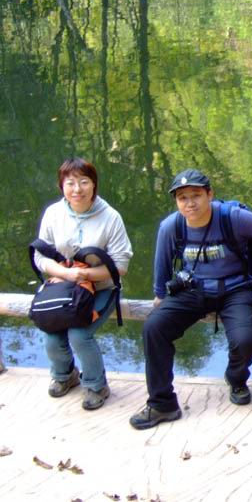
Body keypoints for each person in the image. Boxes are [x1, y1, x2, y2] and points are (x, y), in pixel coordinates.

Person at [129, 169, 252, 430]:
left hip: (235, 288)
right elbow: (162, 262)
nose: (190, 203)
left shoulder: (233, 217)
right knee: (154, 328)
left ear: (210, 194)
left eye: (196, 195)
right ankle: (162, 404)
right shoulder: (172, 226)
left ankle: (236, 378)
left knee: (246, 339)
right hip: (194, 289)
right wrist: (159, 295)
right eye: (182, 198)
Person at [34, 157, 133, 410]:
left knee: (79, 334)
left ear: (94, 185)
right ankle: (65, 375)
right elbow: (40, 256)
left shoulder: (110, 217)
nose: (77, 189)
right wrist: (64, 273)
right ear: (61, 186)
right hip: (64, 285)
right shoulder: (53, 213)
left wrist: (84, 275)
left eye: (84, 182)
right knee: (51, 332)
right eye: (70, 183)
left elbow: (120, 265)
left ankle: (96, 385)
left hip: (101, 287)